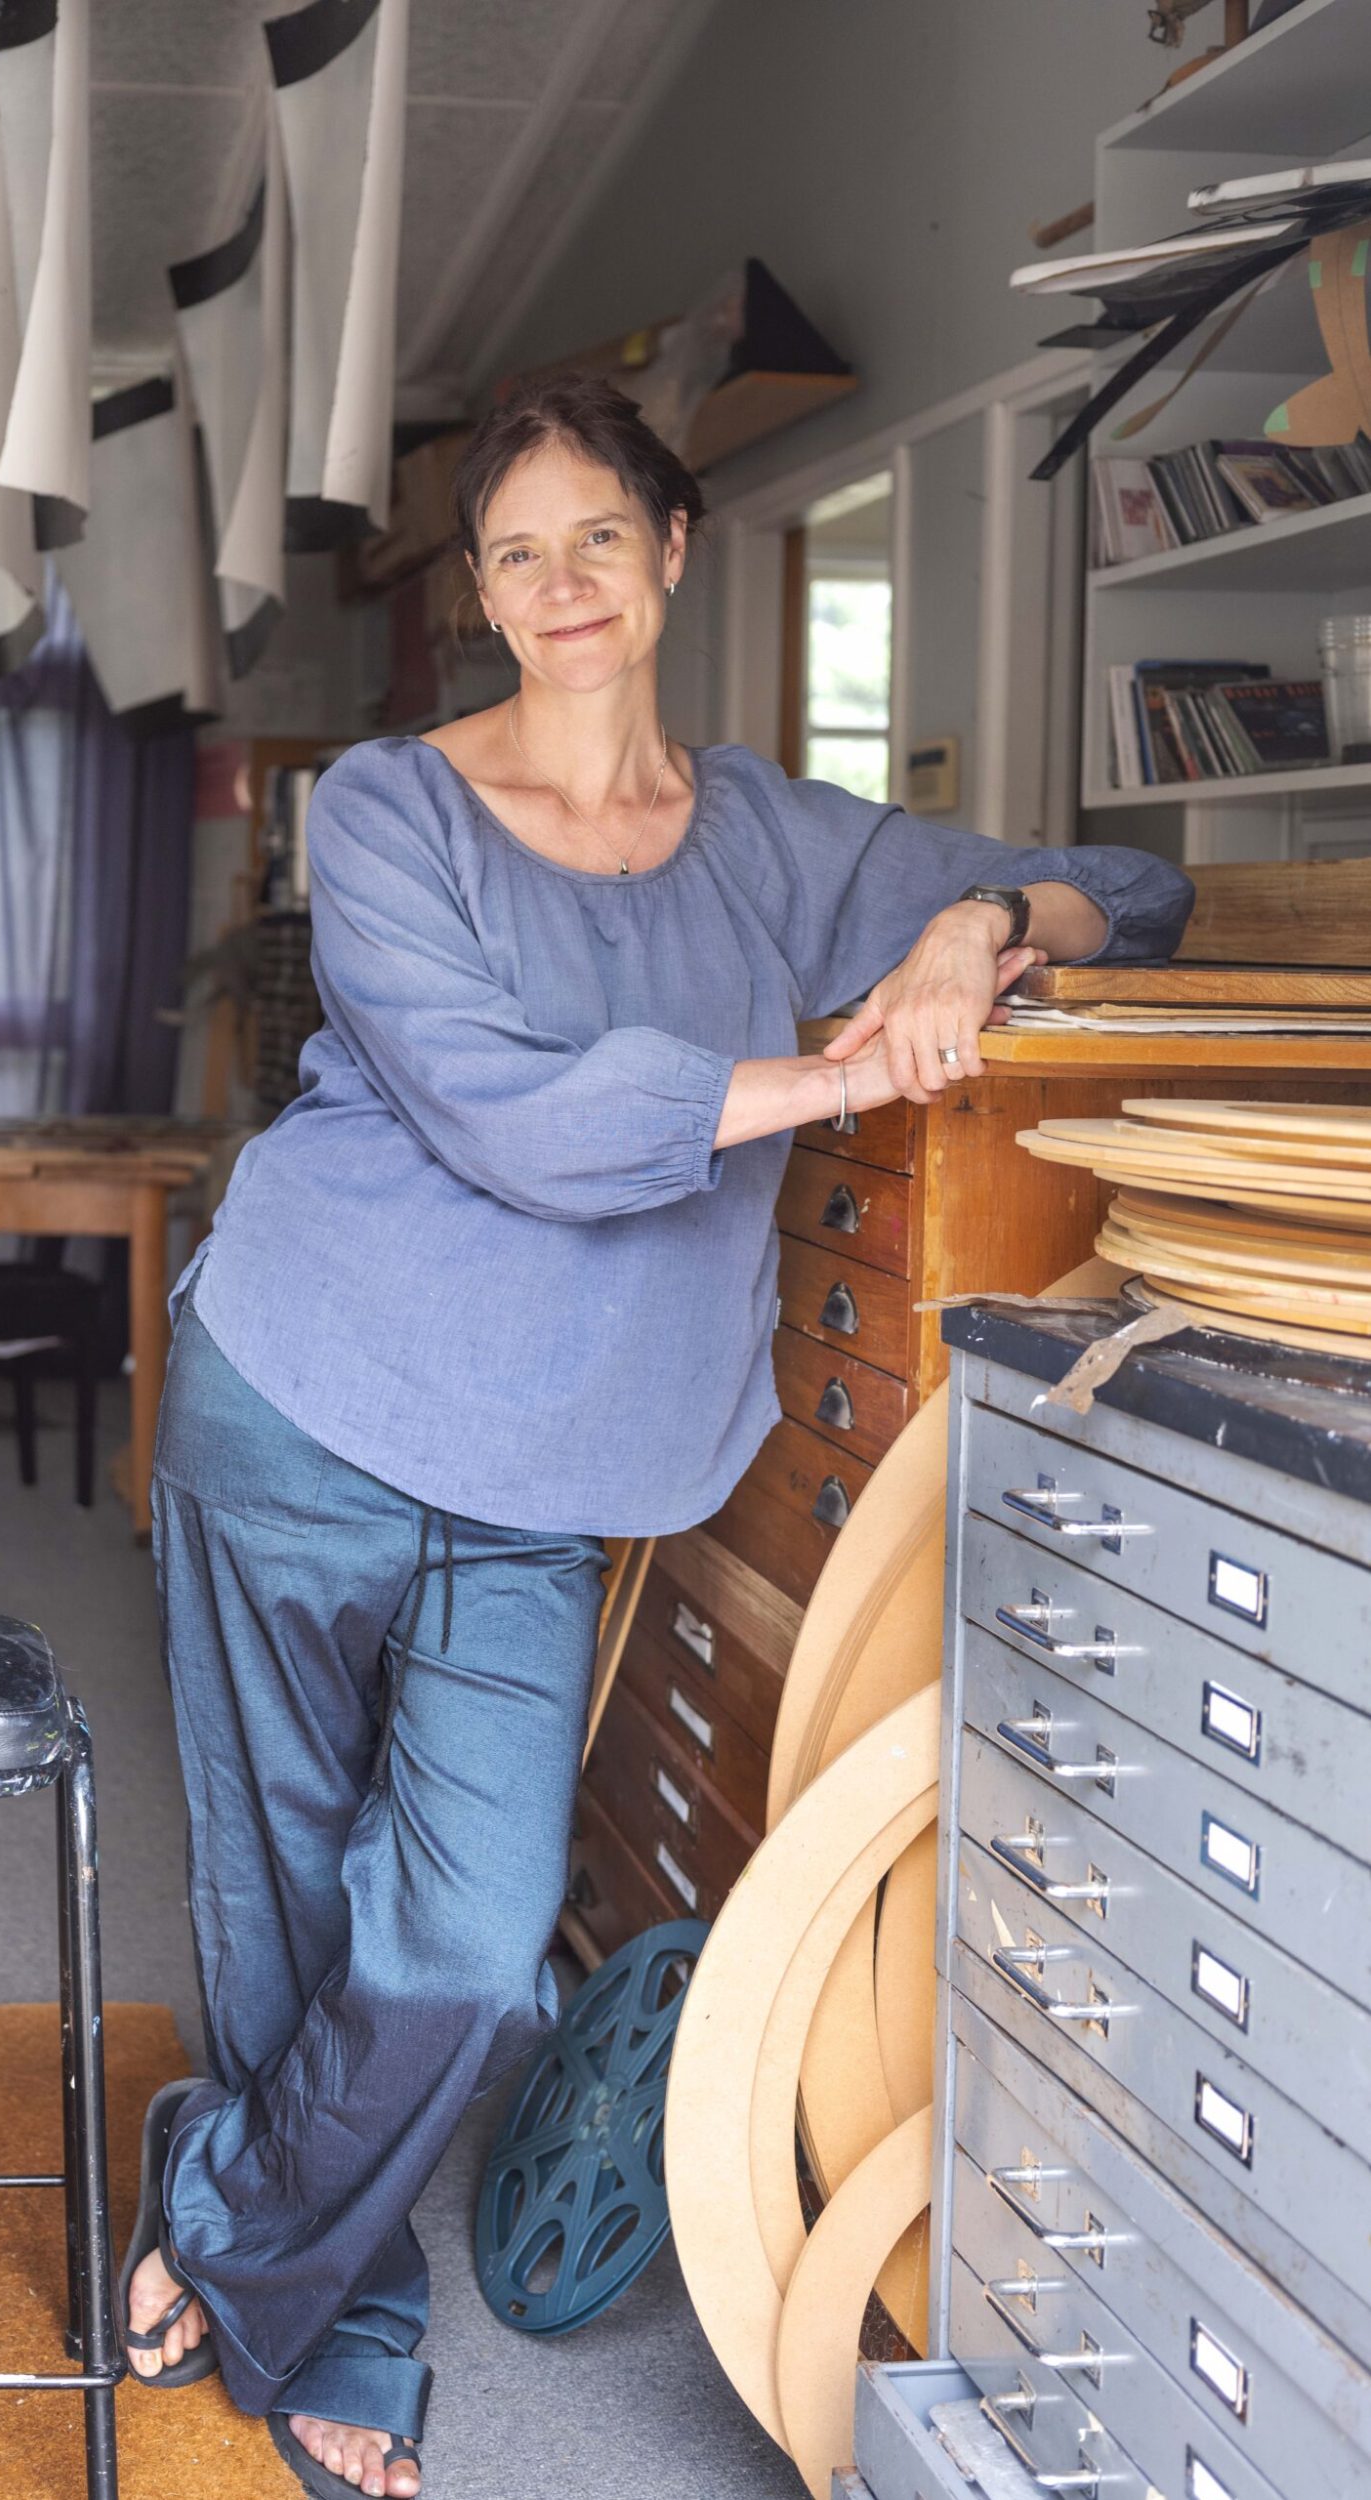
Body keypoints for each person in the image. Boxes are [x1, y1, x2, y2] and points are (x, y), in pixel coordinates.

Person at [125, 375, 1194, 2499]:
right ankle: (338, 2307)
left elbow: (1117, 888)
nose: (555, 585)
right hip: (309, 1387)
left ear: (672, 551)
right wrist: (835, 1077)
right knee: (281, 1893)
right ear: (478, 593)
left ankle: (220, 2195)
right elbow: (518, 1117)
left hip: (555, 1464)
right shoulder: (386, 808)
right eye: (512, 551)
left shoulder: (782, 840)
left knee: (466, 1922)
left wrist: (962, 933)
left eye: (592, 537)